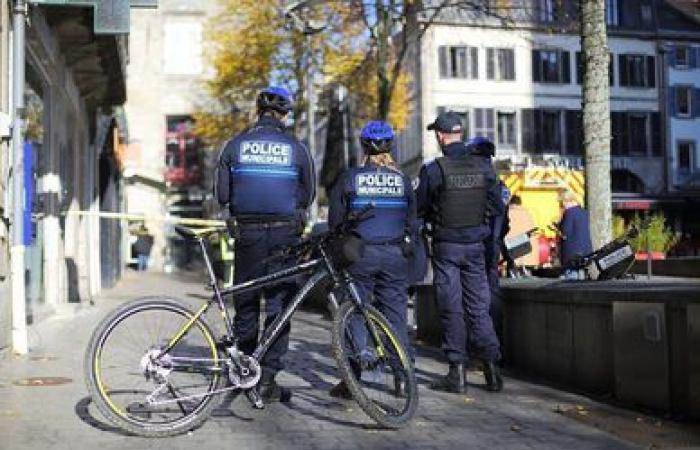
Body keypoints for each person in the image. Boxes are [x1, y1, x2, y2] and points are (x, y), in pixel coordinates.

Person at [215, 86, 315, 402]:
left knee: (245, 300)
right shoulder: (297, 148)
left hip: (247, 233)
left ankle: (243, 368)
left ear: (257, 112)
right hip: (286, 234)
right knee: (279, 305)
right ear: (284, 115)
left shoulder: (234, 146)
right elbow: (308, 194)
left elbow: (221, 194)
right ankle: (268, 378)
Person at [416, 111, 504, 394]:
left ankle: (457, 373)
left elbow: (420, 209)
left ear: (441, 136)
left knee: (451, 308)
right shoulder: (483, 168)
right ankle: (492, 370)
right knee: (479, 307)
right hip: (476, 247)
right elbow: (497, 207)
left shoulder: (434, 170)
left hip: (446, 247)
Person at [327, 120, 416, 399]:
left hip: (360, 255)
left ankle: (352, 380)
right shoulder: (402, 180)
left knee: (354, 313)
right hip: (394, 255)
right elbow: (412, 222)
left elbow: (335, 222)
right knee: (396, 317)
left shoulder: (350, 178)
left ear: (363, 146)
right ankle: (402, 378)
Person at [466, 137, 509, 338]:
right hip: (493, 247)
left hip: (472, 245)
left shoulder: (472, 180)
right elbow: (505, 222)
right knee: (493, 292)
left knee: (470, 296)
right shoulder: (501, 186)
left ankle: (479, 344)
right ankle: (496, 342)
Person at [558, 191, 593, 276]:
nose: (563, 205)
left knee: (570, 282)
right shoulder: (584, 212)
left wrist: (558, 229)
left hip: (572, 253)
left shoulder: (569, 213)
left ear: (567, 200)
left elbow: (566, 232)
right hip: (586, 251)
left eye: (562, 202)